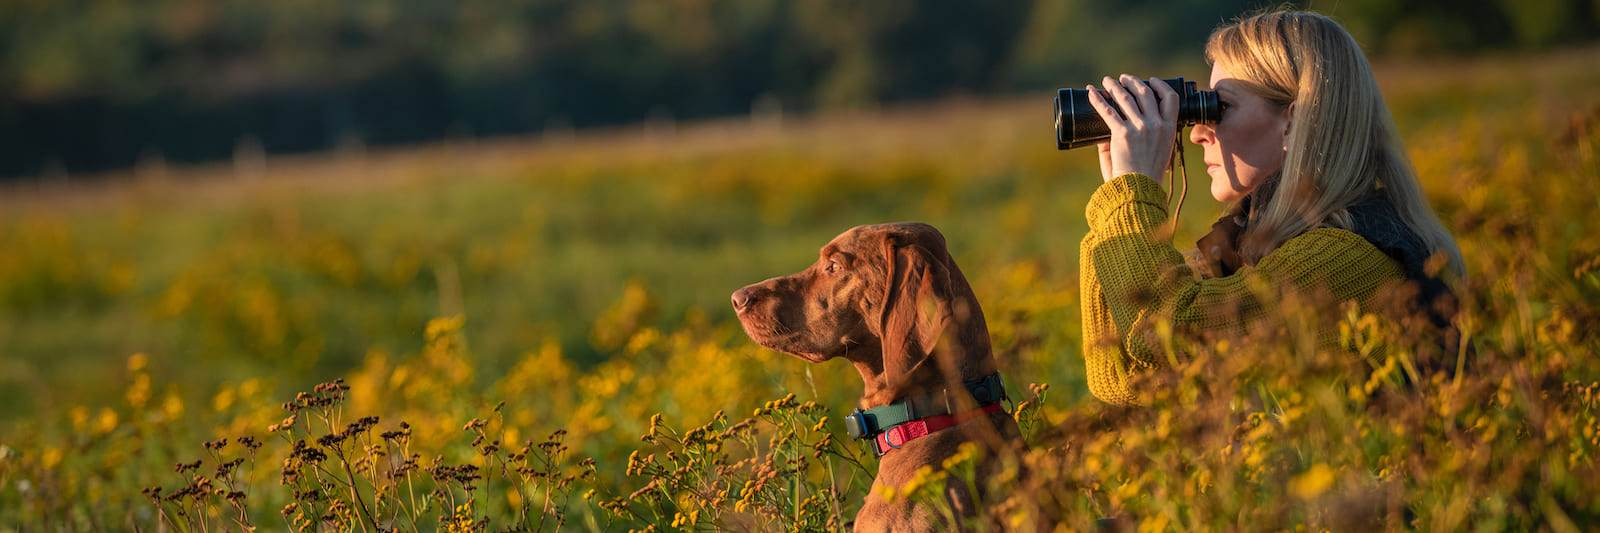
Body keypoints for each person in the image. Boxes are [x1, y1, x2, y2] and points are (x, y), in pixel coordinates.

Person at [1077, 10, 1465, 406]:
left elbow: (1169, 337)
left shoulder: (1348, 257)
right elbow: (1126, 379)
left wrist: (1133, 196)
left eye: (1219, 108)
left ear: (1294, 122)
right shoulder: (1256, 247)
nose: (1196, 132)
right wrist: (1116, 194)